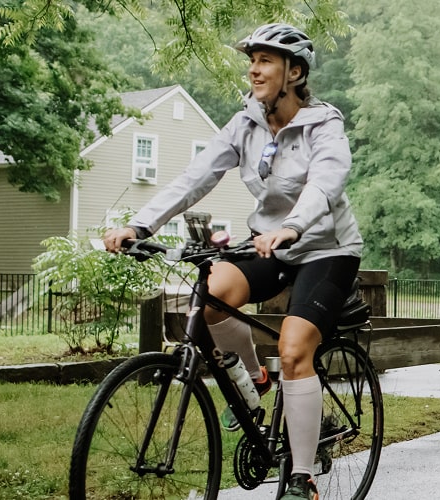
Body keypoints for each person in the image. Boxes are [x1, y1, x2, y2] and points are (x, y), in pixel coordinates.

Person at [101, 23, 359, 500]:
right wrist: (141, 225)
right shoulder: (245, 124)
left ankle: (301, 478)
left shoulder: (324, 124)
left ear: (294, 72)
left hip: (326, 248)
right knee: (210, 299)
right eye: (252, 61)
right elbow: (194, 177)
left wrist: (292, 226)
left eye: (265, 61)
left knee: (294, 349)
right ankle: (252, 379)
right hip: (268, 244)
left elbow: (326, 181)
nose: (254, 70)